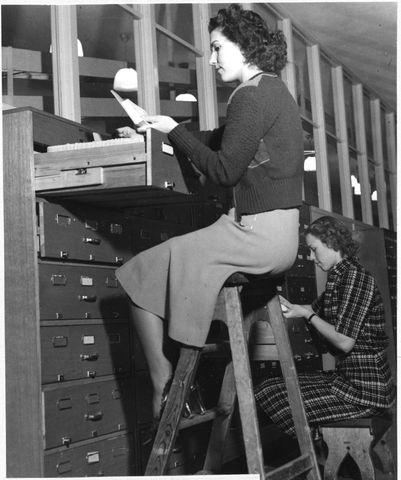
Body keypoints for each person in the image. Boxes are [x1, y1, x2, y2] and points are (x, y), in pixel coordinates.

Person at [115, 3, 304, 420]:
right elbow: (221, 139)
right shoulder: (273, 90)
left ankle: (163, 379)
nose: (213, 59)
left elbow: (223, 170)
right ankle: (176, 376)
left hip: (255, 237)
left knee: (136, 274)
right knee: (158, 266)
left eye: (218, 48)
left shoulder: (248, 96)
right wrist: (161, 130)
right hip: (279, 239)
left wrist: (175, 132)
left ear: (244, 46)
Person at [255, 216, 396, 436]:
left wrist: (308, 314)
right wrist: (289, 306)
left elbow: (344, 342)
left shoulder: (354, 277)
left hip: (365, 392)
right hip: (347, 380)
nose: (311, 257)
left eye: (314, 249)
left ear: (332, 243)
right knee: (268, 388)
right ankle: (316, 440)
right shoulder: (338, 277)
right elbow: (312, 308)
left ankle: (316, 444)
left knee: (278, 394)